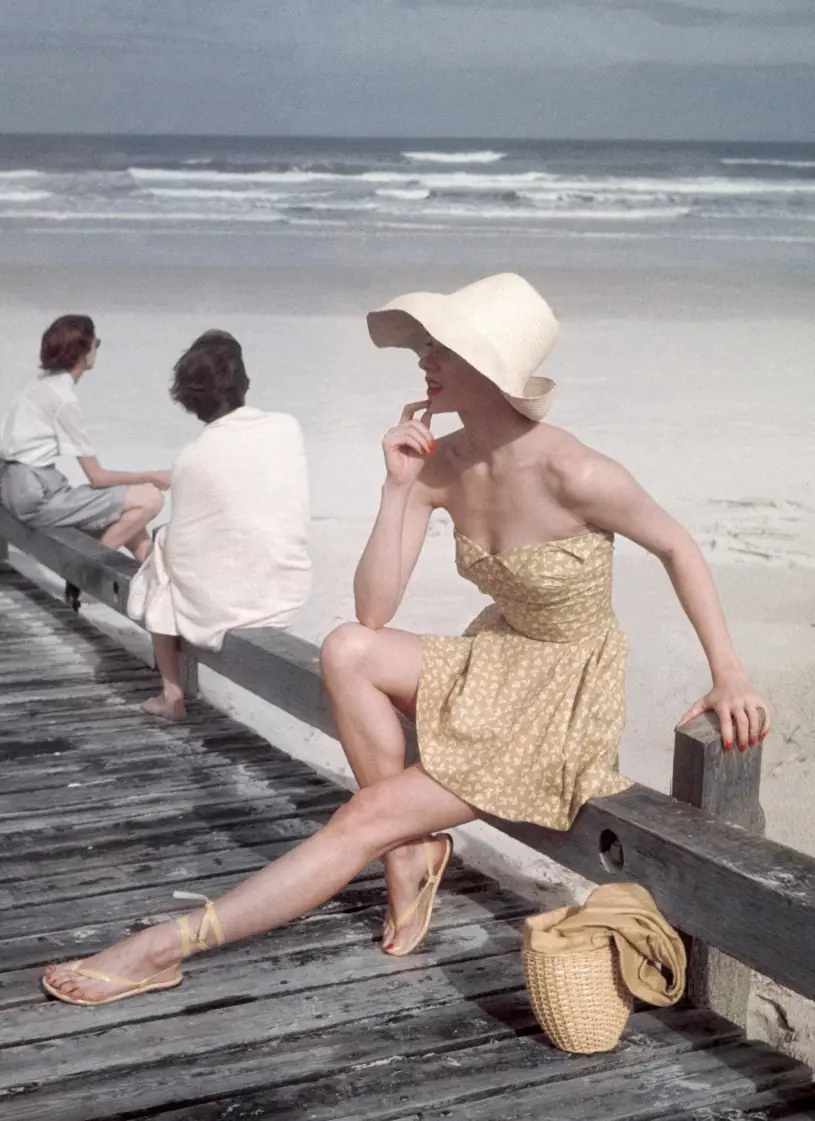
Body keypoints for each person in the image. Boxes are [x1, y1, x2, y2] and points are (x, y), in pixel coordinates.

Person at [41, 273, 771, 1006]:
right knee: (344, 647)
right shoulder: (440, 463)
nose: (423, 355)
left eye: (440, 346)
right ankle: (411, 848)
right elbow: (372, 608)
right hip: (497, 654)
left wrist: (728, 672)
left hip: (561, 694)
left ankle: (164, 946)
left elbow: (677, 545)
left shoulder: (573, 470)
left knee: (362, 816)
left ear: (488, 368)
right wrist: (396, 486)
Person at [127, 330, 312, 721]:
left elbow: (187, 549)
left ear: (190, 401)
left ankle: (171, 694)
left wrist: (158, 544)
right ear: (244, 382)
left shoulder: (192, 458)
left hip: (220, 605)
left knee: (162, 556)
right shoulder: (286, 427)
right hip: (282, 588)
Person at [0, 314, 168, 564]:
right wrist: (153, 476)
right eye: (96, 343)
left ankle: (149, 565)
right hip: (37, 496)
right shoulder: (63, 399)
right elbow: (97, 477)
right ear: (81, 352)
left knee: (131, 516)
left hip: (16, 489)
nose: (97, 348)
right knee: (151, 499)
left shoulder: (37, 387)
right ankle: (85, 569)